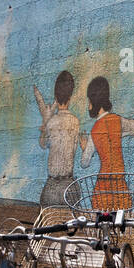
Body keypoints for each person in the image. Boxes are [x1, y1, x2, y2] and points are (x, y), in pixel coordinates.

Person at [80, 76, 134, 211]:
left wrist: (84, 148)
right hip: (120, 184)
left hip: (103, 186)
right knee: (123, 221)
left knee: (102, 223)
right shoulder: (118, 120)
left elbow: (84, 163)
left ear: (92, 101)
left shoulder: (94, 130)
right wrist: (120, 133)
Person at [35, 69, 81, 206]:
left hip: (51, 185)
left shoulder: (51, 122)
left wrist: (45, 122)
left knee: (46, 224)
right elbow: (73, 149)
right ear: (71, 96)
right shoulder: (75, 121)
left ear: (55, 95)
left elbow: (43, 144)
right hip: (68, 185)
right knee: (74, 225)